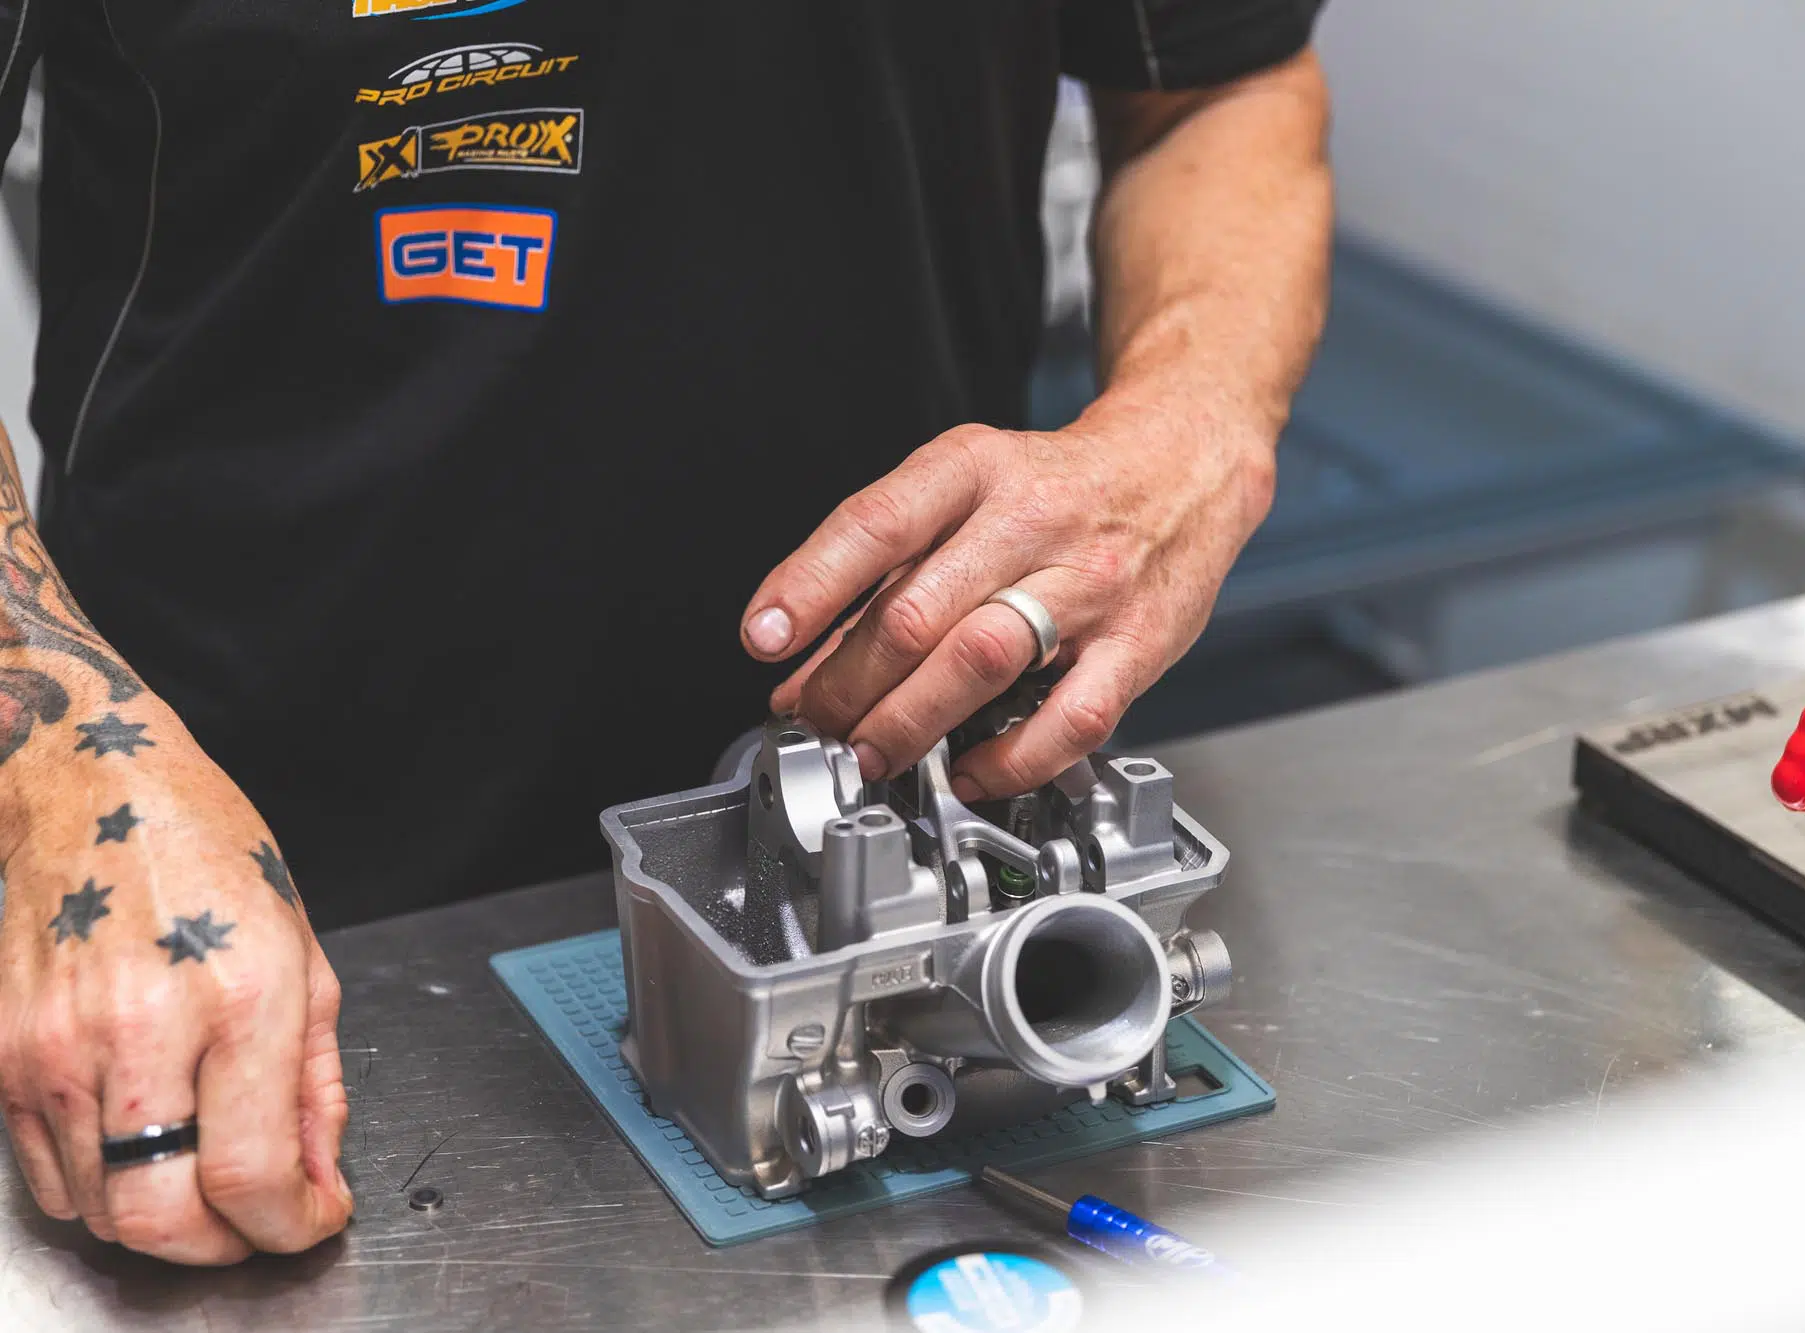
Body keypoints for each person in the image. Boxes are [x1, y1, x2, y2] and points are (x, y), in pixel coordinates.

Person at [0, 1, 1331, 1266]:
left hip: (926, 814)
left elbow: (1215, 87)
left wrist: (1190, 425)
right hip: (245, 860)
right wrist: (62, 775)